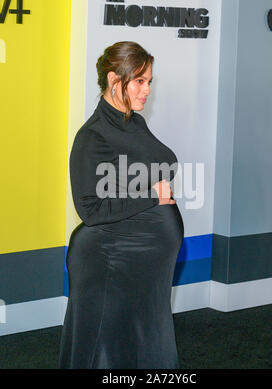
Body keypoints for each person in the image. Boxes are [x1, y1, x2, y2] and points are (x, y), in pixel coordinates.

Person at [58, 41, 184, 369]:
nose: (147, 90)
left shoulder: (133, 122)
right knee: (107, 354)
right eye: (139, 81)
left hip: (144, 266)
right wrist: (152, 196)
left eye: (149, 82)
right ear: (115, 80)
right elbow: (90, 210)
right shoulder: (92, 137)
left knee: (142, 348)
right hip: (109, 263)